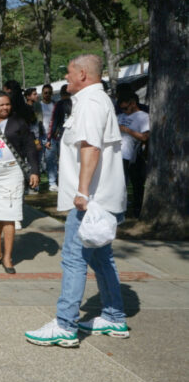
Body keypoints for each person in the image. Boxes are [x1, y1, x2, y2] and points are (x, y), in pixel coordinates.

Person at [25, 55, 128, 347]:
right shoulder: (92, 101)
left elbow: (91, 147)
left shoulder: (91, 103)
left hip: (92, 201)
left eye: (69, 73)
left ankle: (65, 324)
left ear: (82, 74)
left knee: (73, 258)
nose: (66, 79)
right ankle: (114, 316)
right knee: (101, 257)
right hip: (101, 199)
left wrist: (82, 192)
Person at [0, 92, 40, 274]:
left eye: (7, 104)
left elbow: (30, 147)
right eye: (1, 105)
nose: (5, 108)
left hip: (11, 174)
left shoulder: (18, 123)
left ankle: (8, 257)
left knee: (9, 216)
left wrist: (34, 171)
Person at [117, 91, 149, 218]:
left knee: (135, 183)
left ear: (133, 103)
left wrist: (126, 130)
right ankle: (119, 208)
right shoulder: (120, 116)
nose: (124, 111)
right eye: (121, 109)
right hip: (116, 153)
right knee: (119, 183)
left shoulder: (143, 117)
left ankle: (137, 208)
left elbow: (144, 137)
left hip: (130, 154)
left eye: (126, 108)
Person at [39, 84, 59, 192]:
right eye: (45, 92)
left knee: (51, 160)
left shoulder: (55, 105)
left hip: (51, 137)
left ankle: (52, 183)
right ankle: (35, 184)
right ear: (42, 93)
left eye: (49, 93)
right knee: (37, 161)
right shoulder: (38, 105)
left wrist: (54, 134)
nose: (47, 95)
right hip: (40, 135)